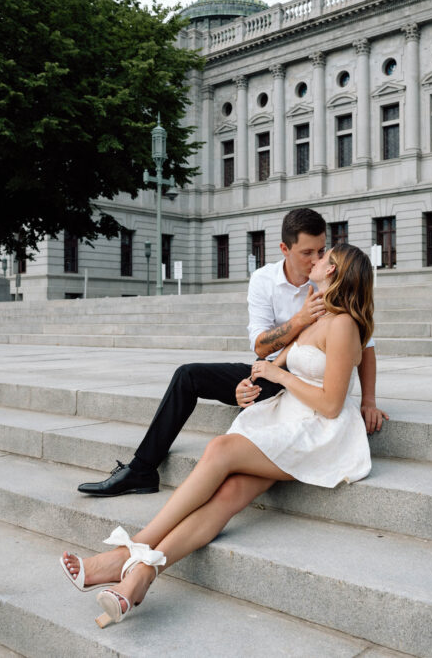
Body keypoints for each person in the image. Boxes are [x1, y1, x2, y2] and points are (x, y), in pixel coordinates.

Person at [61, 244, 376, 627]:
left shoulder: (343, 324)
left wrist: (281, 377)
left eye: (324, 258)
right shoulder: (314, 312)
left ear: (337, 273)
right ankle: (140, 578)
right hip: (287, 417)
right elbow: (270, 362)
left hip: (318, 431)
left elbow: (330, 404)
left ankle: (128, 551)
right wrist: (252, 381)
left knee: (221, 449)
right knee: (227, 495)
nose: (316, 260)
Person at [76, 208, 387, 497]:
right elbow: (261, 346)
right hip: (271, 367)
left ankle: (229, 476)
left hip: (304, 382)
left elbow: (364, 344)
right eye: (306, 253)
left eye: (320, 251)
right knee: (188, 375)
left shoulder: (330, 283)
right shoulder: (264, 280)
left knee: (251, 408)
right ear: (284, 250)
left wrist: (369, 400)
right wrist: (297, 323)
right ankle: (142, 469)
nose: (315, 259)